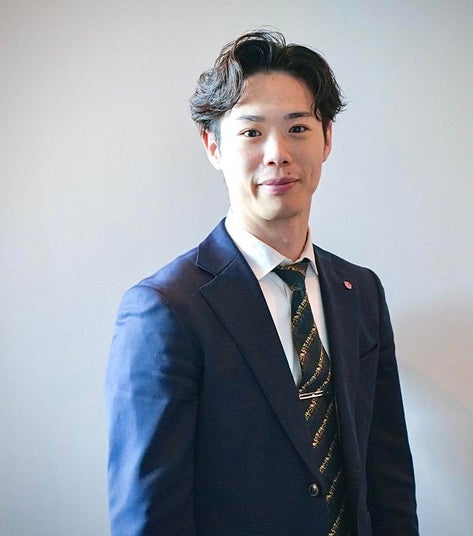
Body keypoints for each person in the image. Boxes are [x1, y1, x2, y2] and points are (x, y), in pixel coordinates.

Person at [106, 29, 419, 536]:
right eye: (252, 132)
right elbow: (151, 514)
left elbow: (388, 476)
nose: (278, 153)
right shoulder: (166, 309)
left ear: (327, 138)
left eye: (298, 128)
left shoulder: (360, 291)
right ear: (213, 146)